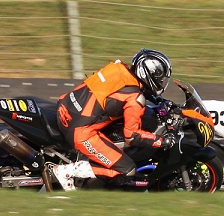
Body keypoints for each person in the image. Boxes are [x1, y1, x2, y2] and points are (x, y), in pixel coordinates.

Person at [48, 48, 176, 191]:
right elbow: (132, 136)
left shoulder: (117, 68)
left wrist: (154, 98)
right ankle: (67, 172)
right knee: (127, 170)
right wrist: (161, 141)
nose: (161, 82)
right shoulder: (135, 99)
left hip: (64, 107)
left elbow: (114, 89)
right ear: (148, 73)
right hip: (79, 130)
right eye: (159, 78)